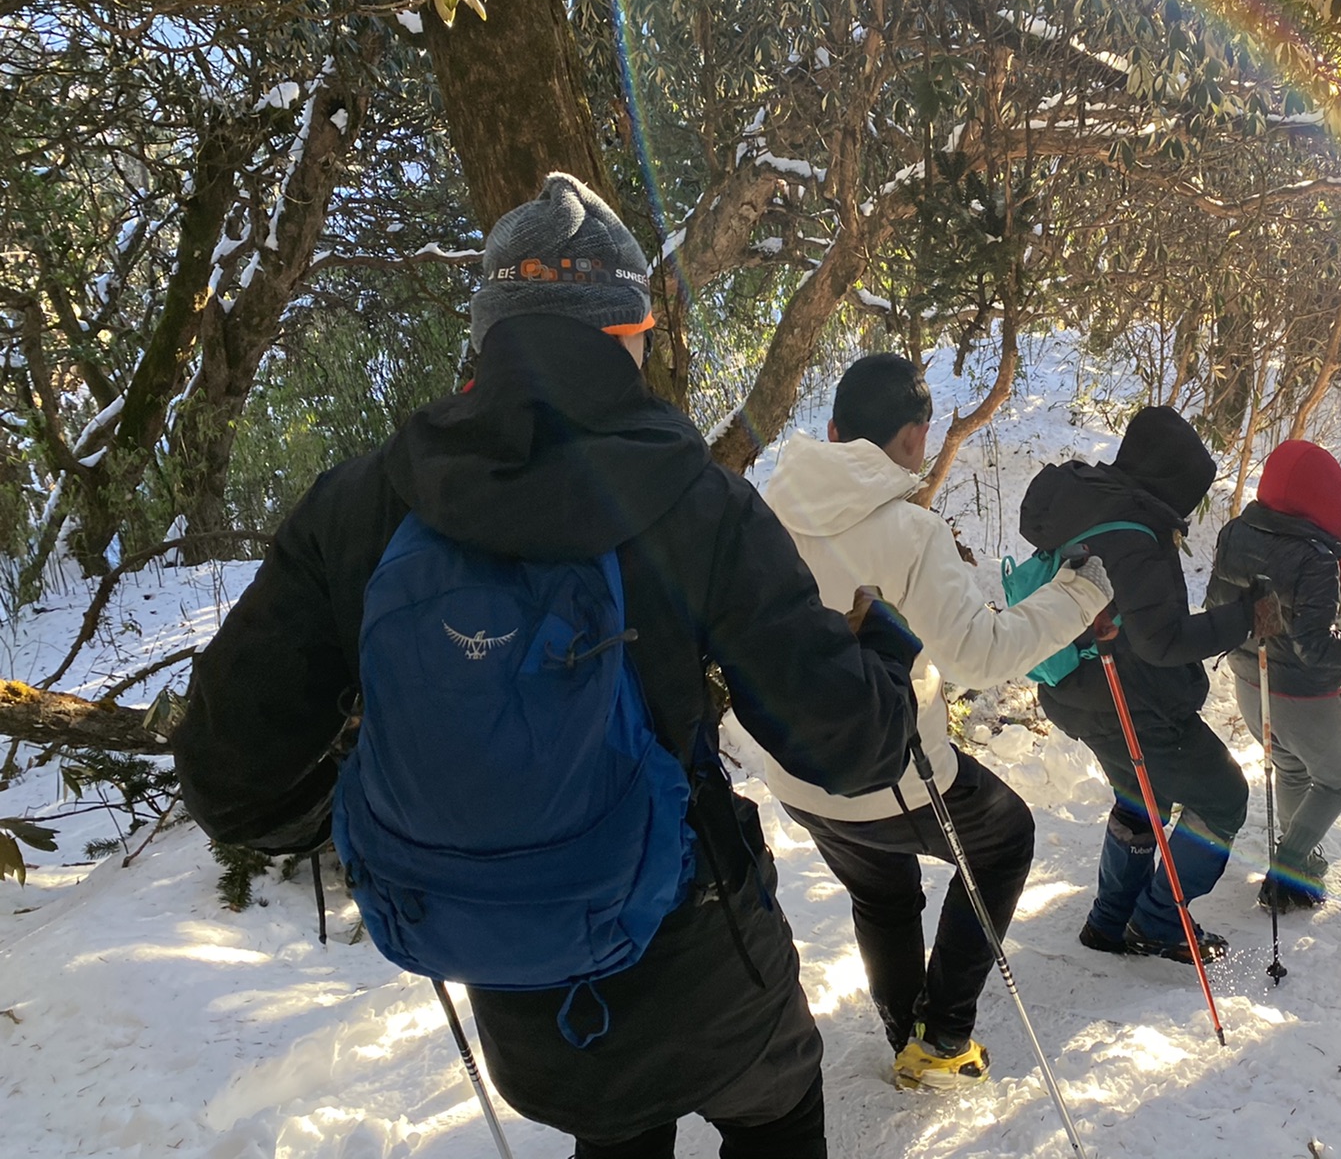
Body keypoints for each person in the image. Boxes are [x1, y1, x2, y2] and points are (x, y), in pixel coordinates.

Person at [172, 174, 920, 1159]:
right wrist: (884, 653)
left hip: (511, 984)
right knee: (776, 1106)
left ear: (489, 333)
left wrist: (397, 808)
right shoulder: (697, 502)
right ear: (627, 332)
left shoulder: (366, 501)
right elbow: (852, 749)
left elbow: (230, 781)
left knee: (609, 1126)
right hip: (699, 959)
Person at [759, 354, 1114, 1089]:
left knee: (879, 888)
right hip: (890, 773)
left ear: (831, 430)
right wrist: (1077, 597)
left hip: (796, 771)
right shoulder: (908, 532)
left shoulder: (764, 508)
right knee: (1006, 838)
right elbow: (981, 656)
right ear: (917, 438)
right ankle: (943, 1033)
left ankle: (905, 1031)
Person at [1018, 406, 1276, 964]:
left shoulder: (1092, 504)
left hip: (1078, 689)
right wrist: (1245, 618)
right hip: (1130, 700)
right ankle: (1157, 922)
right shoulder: (1131, 534)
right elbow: (1161, 641)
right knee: (1224, 796)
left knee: (1142, 796)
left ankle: (1111, 922)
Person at [1207, 439, 1341, 913]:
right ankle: (1288, 866)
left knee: (1292, 766)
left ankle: (1298, 869)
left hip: (1247, 675)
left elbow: (1217, 606)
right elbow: (1315, 648)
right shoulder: (1313, 555)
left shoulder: (1239, 530)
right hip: (1301, 696)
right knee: (1338, 779)